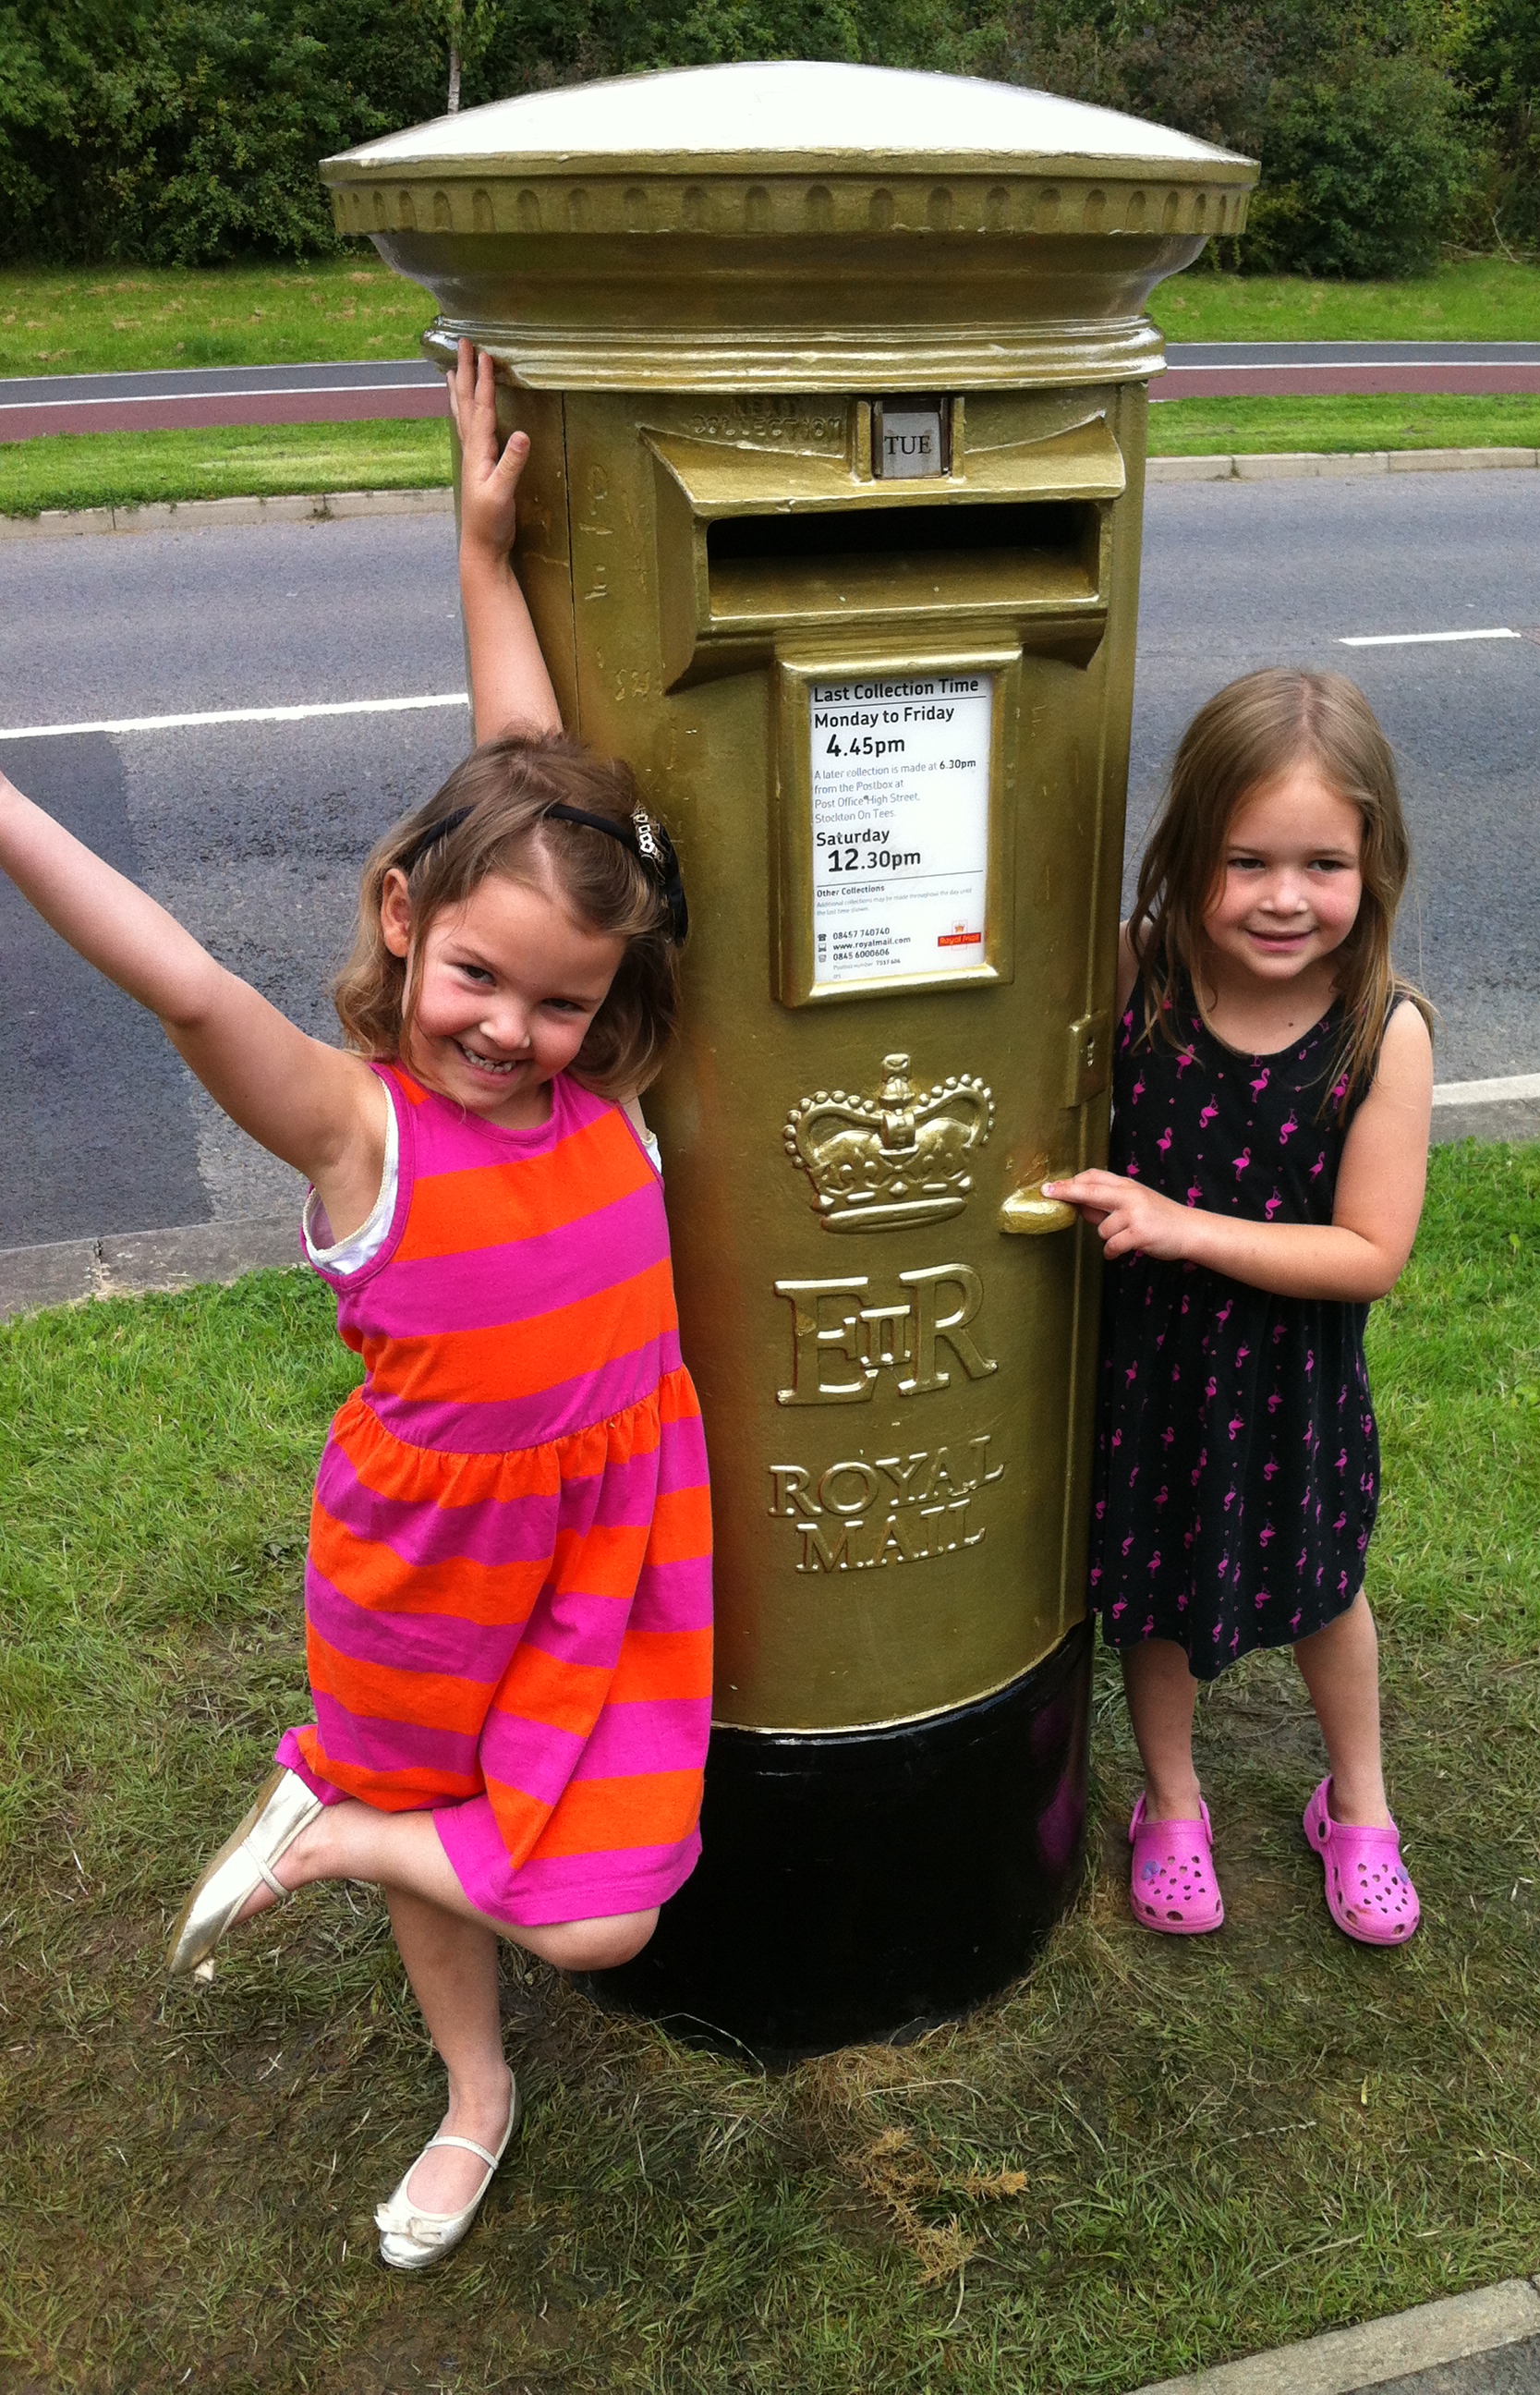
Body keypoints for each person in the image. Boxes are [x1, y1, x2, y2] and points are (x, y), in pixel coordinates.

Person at [0, 342, 712, 2266]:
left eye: (558, 1000)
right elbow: (185, 985)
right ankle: (472, 2091)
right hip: (424, 1564)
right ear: (404, 923)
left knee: (606, 1914)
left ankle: (333, 1830)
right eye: (477, 975)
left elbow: (532, 788)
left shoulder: (604, 1104)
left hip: (619, 1545)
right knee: (453, 1823)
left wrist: (481, 557)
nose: (510, 1026)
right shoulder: (360, 1133)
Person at [1045, 668, 1432, 1949]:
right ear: (1186, 852)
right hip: (1152, 1379)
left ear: (1374, 864)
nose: (1283, 897)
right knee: (1153, 1593)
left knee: (1325, 1593)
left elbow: (1370, 1252)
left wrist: (1182, 1226)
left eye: (1323, 864)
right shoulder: (1139, 977)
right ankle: (1171, 1800)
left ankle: (1358, 1804)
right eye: (1246, 860)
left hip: (1291, 1388)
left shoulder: (1382, 1030)